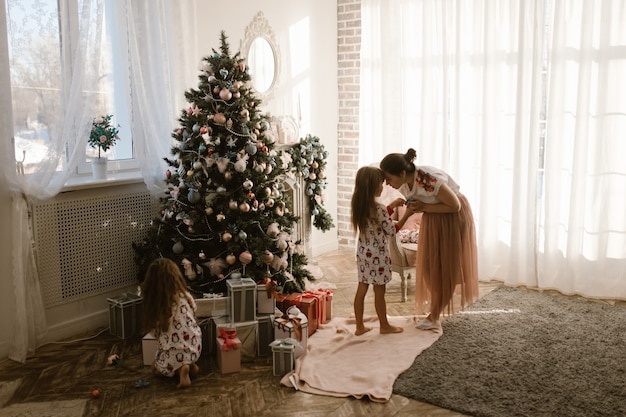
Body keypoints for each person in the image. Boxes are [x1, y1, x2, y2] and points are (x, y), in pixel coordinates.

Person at [380, 148, 479, 331]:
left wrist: (423, 206)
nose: (387, 183)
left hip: (452, 218)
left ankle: (434, 315)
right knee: (428, 266)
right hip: (434, 218)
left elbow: (455, 205)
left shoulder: (427, 179)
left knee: (445, 268)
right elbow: (422, 203)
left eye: (389, 178)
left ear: (402, 173)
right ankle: (436, 305)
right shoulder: (402, 184)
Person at [350, 165, 415, 335]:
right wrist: (407, 214)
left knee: (362, 288)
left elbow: (377, 220)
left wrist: (392, 205)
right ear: (372, 186)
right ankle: (384, 326)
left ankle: (359, 327)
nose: (382, 186)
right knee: (380, 292)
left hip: (364, 254)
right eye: (380, 183)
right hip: (378, 256)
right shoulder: (378, 208)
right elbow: (391, 230)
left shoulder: (360, 205)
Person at [141, 257, 202, 388]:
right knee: (181, 347)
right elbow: (194, 310)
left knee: (155, 369)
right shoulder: (185, 295)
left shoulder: (160, 306)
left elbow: (157, 333)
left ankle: (182, 372)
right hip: (195, 346)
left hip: (176, 352)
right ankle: (191, 365)